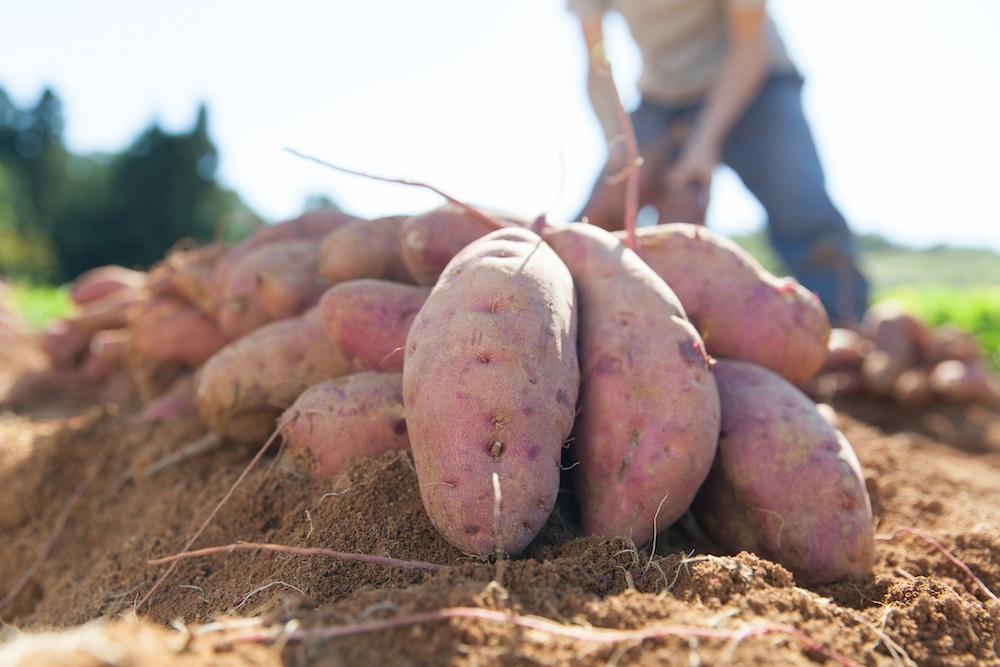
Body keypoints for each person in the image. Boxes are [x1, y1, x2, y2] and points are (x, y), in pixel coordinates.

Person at [569, 0, 869, 325]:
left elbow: (750, 40)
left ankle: (842, 325)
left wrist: (703, 144)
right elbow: (597, 59)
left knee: (801, 205)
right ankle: (577, 326)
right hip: (662, 97)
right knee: (594, 219)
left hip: (757, 77)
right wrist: (620, 148)